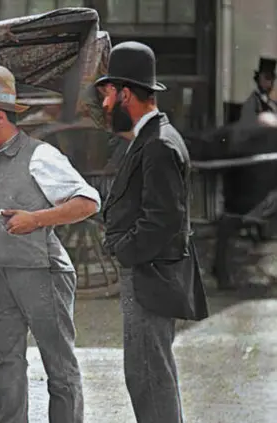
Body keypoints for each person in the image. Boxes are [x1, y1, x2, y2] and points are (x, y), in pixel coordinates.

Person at [0, 65, 100, 423]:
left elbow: (88, 201)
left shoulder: (39, 155)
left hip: (41, 274)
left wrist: (36, 219)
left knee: (59, 364)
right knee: (5, 364)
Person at [94, 41, 209, 423]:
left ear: (126, 93)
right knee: (150, 375)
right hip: (152, 276)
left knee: (147, 375)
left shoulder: (158, 144)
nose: (105, 106)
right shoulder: (154, 138)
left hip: (149, 277)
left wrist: (122, 250)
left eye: (109, 95)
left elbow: (163, 221)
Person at [240, 57, 277, 125]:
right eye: (266, 78)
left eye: (272, 79)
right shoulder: (251, 103)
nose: (269, 83)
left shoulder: (273, 103)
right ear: (258, 79)